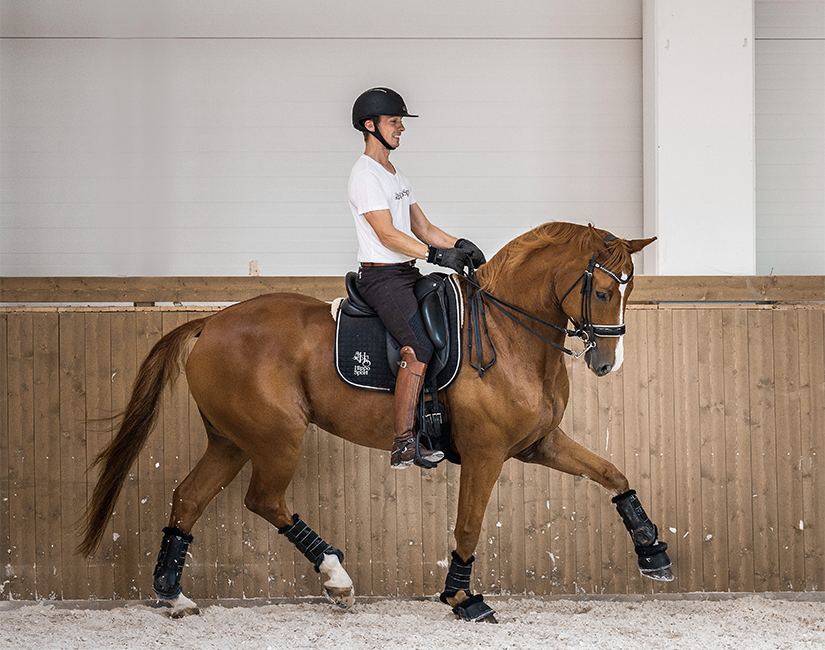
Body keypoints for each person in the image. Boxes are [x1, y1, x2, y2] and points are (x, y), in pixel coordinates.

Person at [348, 87, 486, 469]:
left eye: (401, 122)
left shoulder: (395, 173)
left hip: (406, 272)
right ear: (370, 125)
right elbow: (387, 234)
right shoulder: (364, 176)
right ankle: (404, 442)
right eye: (395, 122)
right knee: (419, 345)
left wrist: (459, 245)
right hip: (382, 280)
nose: (402, 129)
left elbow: (421, 226)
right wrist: (436, 256)